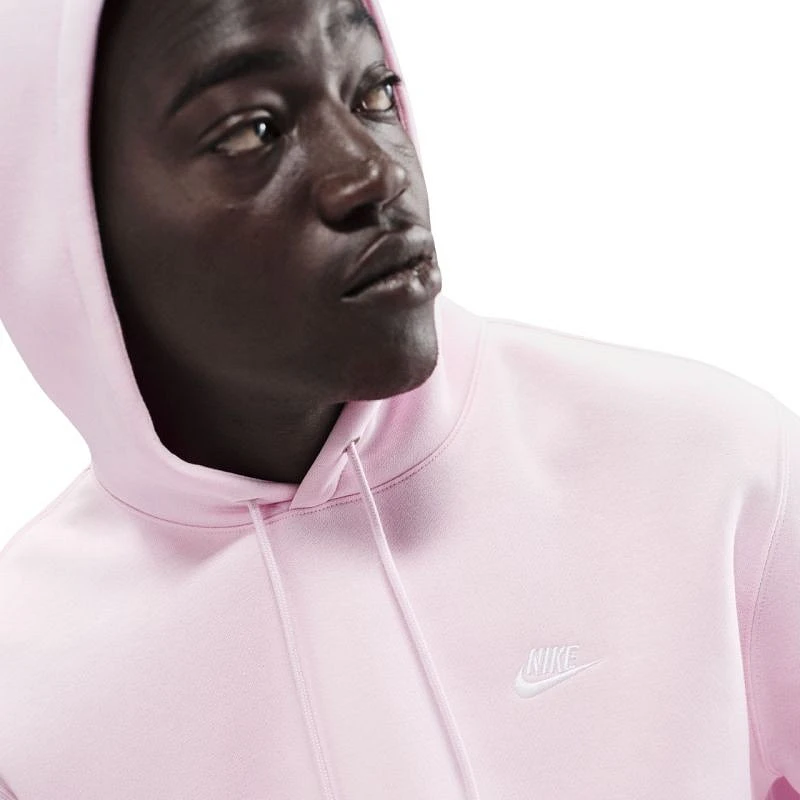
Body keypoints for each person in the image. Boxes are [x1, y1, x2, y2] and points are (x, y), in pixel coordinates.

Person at [0, 0, 797, 797]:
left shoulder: (717, 479)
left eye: (374, 92)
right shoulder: (23, 700)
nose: (375, 174)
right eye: (252, 132)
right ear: (60, 222)